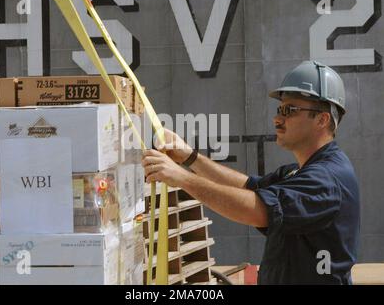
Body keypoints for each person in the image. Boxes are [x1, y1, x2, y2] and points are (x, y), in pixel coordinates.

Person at [142, 61, 360, 285]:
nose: (278, 118)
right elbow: (248, 188)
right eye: (279, 109)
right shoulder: (301, 172)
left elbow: (256, 208)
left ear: (322, 120)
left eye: (290, 110)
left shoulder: (326, 179)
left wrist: (181, 177)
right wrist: (190, 157)